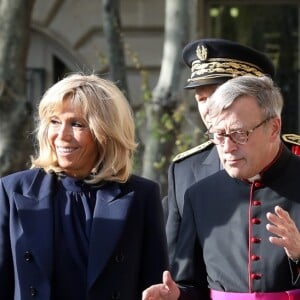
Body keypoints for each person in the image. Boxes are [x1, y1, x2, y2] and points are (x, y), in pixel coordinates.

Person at [0, 73, 168, 300]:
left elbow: (154, 287)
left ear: (105, 133)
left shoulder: (141, 195)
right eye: (54, 122)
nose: (61, 136)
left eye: (77, 124)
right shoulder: (12, 190)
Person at [143, 75, 300, 299]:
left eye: (239, 134)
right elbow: (192, 285)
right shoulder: (199, 196)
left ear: (274, 128)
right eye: (219, 135)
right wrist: (177, 296)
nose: (227, 147)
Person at [164, 38, 300, 265]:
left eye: (220, 96)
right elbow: (178, 265)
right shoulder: (185, 171)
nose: (209, 109)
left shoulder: (293, 155)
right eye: (202, 99)